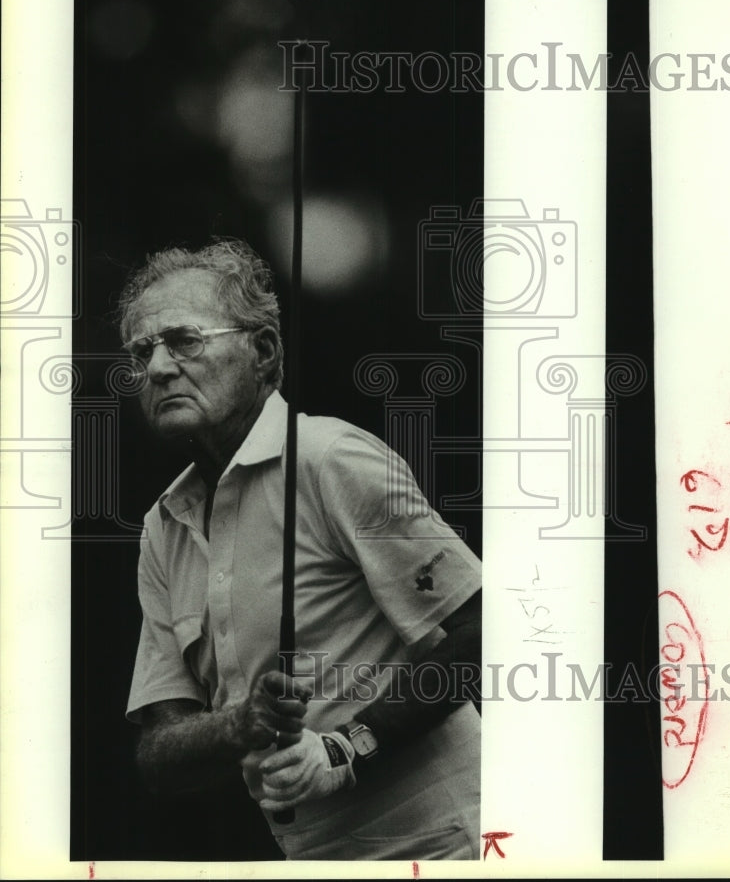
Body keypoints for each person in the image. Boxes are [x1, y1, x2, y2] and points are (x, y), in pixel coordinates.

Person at [120, 238, 482, 861]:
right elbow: (159, 751)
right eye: (141, 352)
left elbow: (485, 634)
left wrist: (348, 745)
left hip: (449, 840)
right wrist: (237, 725)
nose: (156, 368)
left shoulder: (330, 458)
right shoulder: (162, 528)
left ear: (262, 351)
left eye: (183, 340)